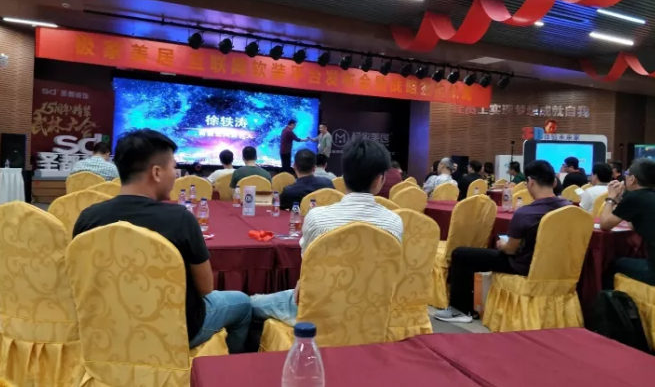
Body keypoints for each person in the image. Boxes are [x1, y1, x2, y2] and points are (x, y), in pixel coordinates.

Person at [73, 129, 251, 351]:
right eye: (173, 167)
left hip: (105, 328)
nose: (176, 175)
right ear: (157, 172)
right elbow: (206, 288)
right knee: (243, 304)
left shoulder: (88, 217)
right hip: (175, 330)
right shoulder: (181, 219)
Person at [250, 138, 403, 324]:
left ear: (343, 176)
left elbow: (308, 264)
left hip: (318, 309)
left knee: (248, 304)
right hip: (371, 312)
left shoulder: (317, 217)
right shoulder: (394, 222)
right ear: (380, 179)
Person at [436, 160, 570, 322]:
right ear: (554, 182)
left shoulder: (526, 213)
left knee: (460, 254)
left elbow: (510, 250)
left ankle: (460, 310)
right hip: (558, 267)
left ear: (530, 182)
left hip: (524, 266)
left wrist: (502, 244)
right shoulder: (569, 208)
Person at [600, 158, 655, 286]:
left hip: (653, 270)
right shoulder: (647, 196)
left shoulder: (635, 197)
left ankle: (610, 298)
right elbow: (634, 223)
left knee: (611, 264)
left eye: (626, 174)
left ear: (632, 179)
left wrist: (611, 198)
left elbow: (605, 225)